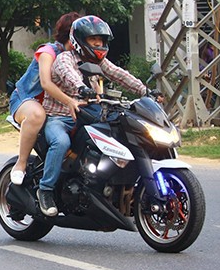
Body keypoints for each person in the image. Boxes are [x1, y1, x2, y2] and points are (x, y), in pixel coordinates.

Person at [37, 15, 148, 216]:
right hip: (59, 117)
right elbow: (69, 76)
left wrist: (145, 91)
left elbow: (119, 74)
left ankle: (104, 186)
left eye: (102, 40)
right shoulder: (65, 58)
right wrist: (82, 89)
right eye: (93, 40)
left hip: (89, 116)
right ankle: (45, 191)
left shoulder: (100, 62)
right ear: (79, 40)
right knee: (60, 143)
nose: (98, 44)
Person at [8, 12, 81, 185]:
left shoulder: (81, 55)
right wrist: (70, 101)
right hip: (27, 99)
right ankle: (21, 163)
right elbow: (46, 83)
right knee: (37, 115)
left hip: (56, 108)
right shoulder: (48, 51)